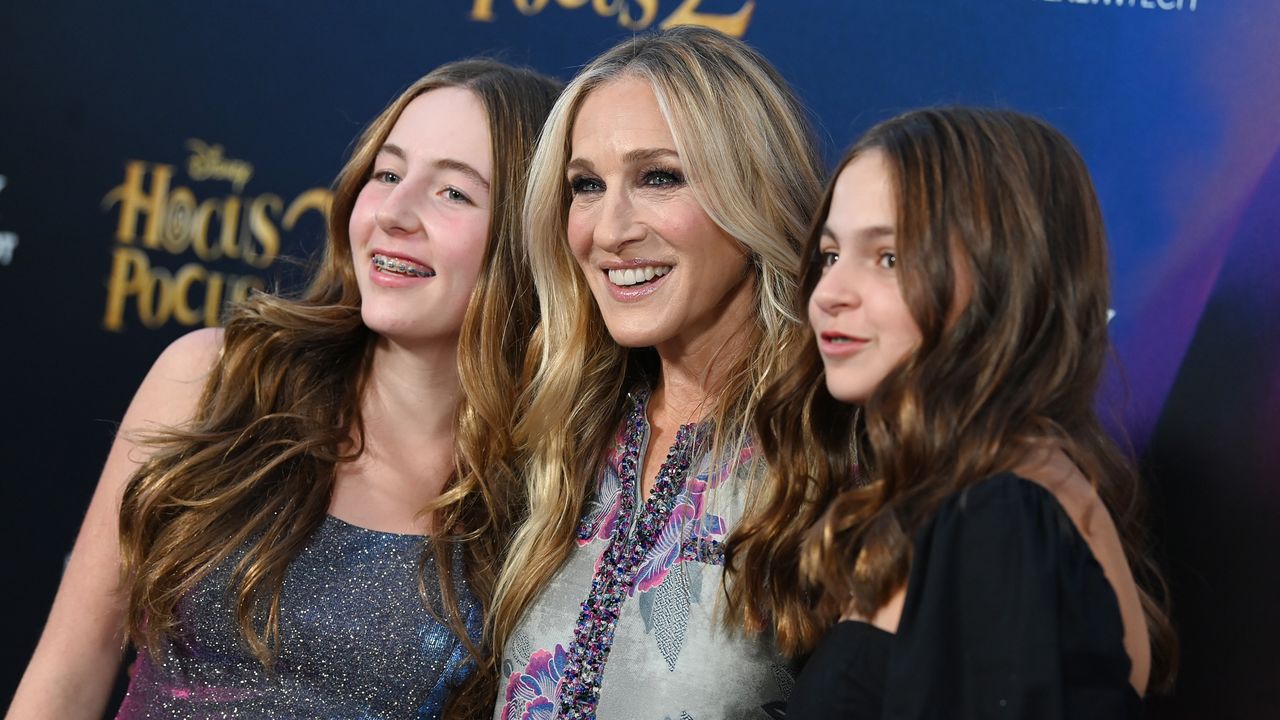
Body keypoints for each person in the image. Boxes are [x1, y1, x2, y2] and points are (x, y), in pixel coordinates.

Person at [7, 59, 559, 720]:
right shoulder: (217, 379)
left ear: (532, 241)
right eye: (387, 173)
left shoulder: (551, 497)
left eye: (454, 193)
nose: (394, 212)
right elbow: (69, 670)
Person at [748, 107, 1177, 718]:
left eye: (889, 258)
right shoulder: (980, 495)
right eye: (830, 255)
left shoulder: (1003, 515)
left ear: (1005, 277)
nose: (829, 293)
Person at [482, 26, 824, 720]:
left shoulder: (832, 447)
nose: (609, 230)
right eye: (585, 186)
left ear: (755, 188)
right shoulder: (561, 432)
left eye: (659, 177)